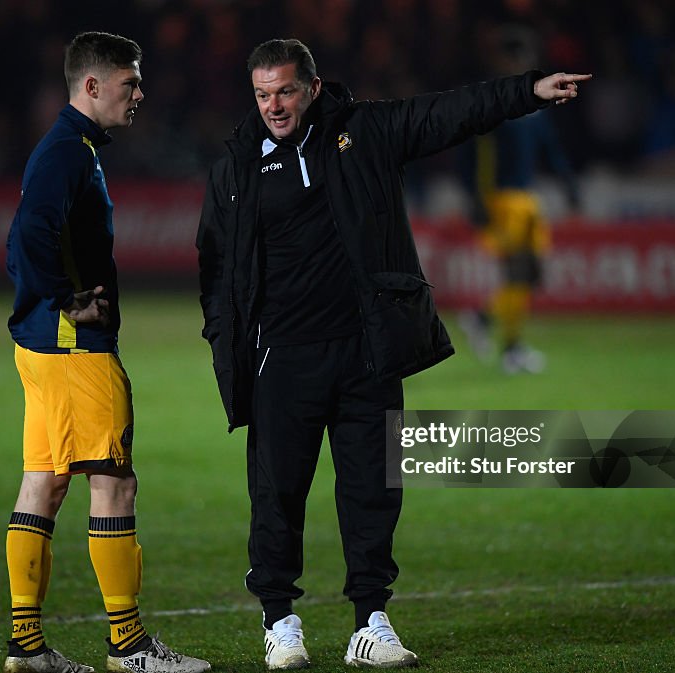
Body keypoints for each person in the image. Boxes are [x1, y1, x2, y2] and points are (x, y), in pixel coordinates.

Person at [197, 38, 588, 669]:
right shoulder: (236, 168)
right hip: (283, 360)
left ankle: (371, 622)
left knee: (373, 492)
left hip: (365, 353)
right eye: (263, 93)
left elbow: (447, 112)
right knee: (276, 495)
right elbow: (215, 268)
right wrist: (228, 339)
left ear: (313, 88)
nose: (274, 105)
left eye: (286, 90)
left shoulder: (364, 133)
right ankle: (280, 621)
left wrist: (528, 90)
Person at [4, 32, 209, 673]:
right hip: (76, 351)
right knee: (114, 485)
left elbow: (29, 232)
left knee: (44, 481)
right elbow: (28, 234)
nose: (140, 94)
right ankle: (128, 644)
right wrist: (66, 299)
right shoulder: (66, 152)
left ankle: (27, 646)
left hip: (43, 349)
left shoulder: (70, 148)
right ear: (92, 85)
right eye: (131, 82)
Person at [456, 25, 581, 374]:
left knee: (529, 274)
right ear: (505, 60)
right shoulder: (491, 103)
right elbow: (469, 154)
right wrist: (475, 198)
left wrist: (570, 186)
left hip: (527, 199)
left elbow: (550, 149)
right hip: (503, 199)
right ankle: (509, 345)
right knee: (517, 272)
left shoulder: (535, 102)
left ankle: (487, 323)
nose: (523, 64)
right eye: (516, 57)